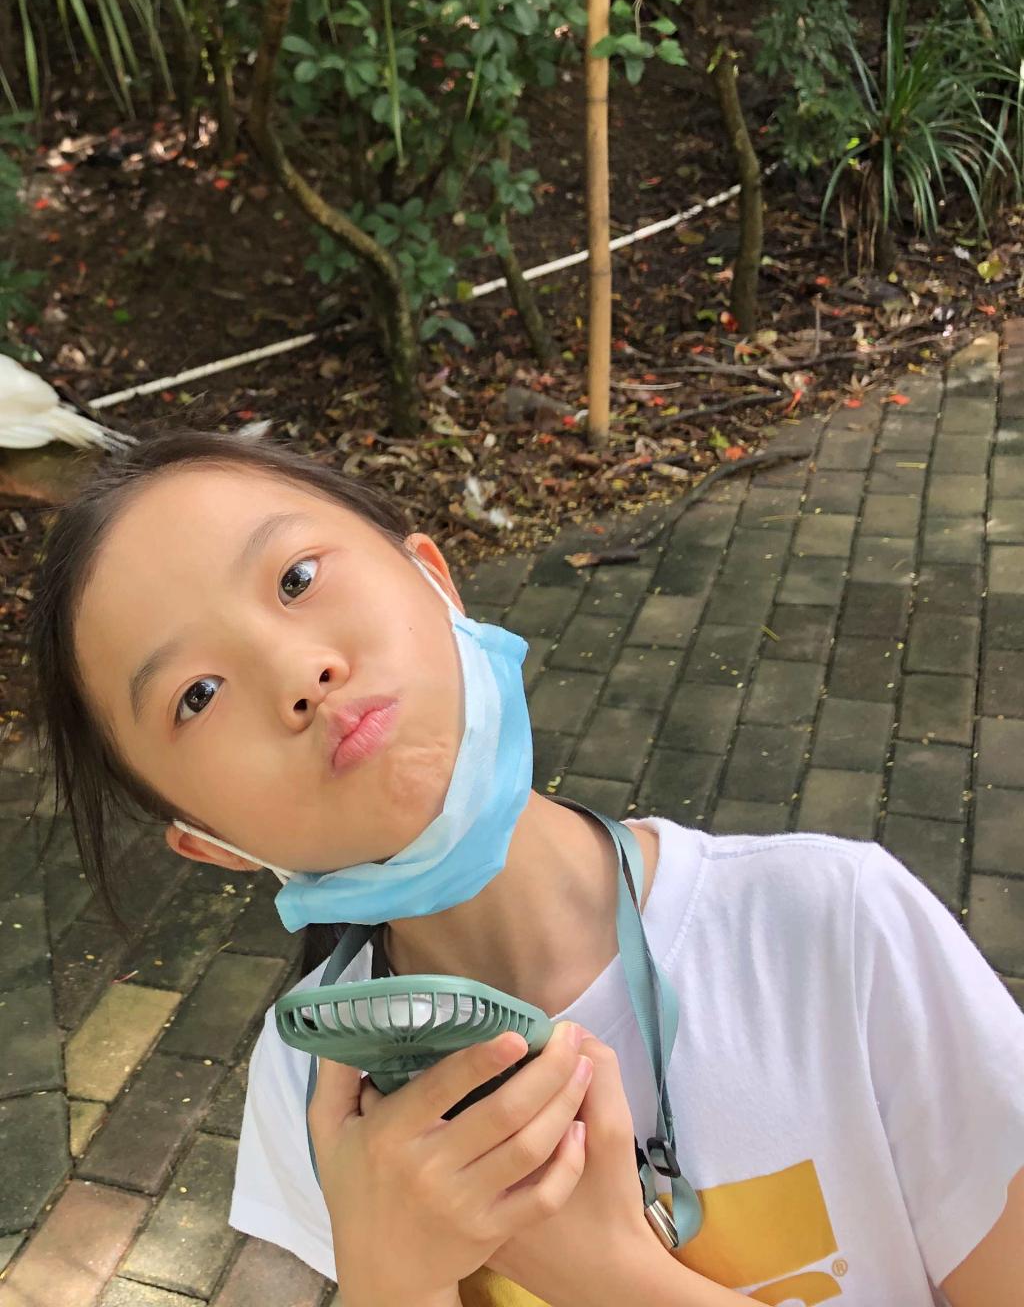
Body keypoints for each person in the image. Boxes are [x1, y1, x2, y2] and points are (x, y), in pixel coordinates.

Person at [27, 427, 1024, 1307]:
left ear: (434, 580)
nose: (296, 673)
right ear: (207, 842)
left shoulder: (829, 932)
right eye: (196, 695)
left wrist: (609, 1279)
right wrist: (391, 1285)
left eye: (295, 578)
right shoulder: (313, 1087)